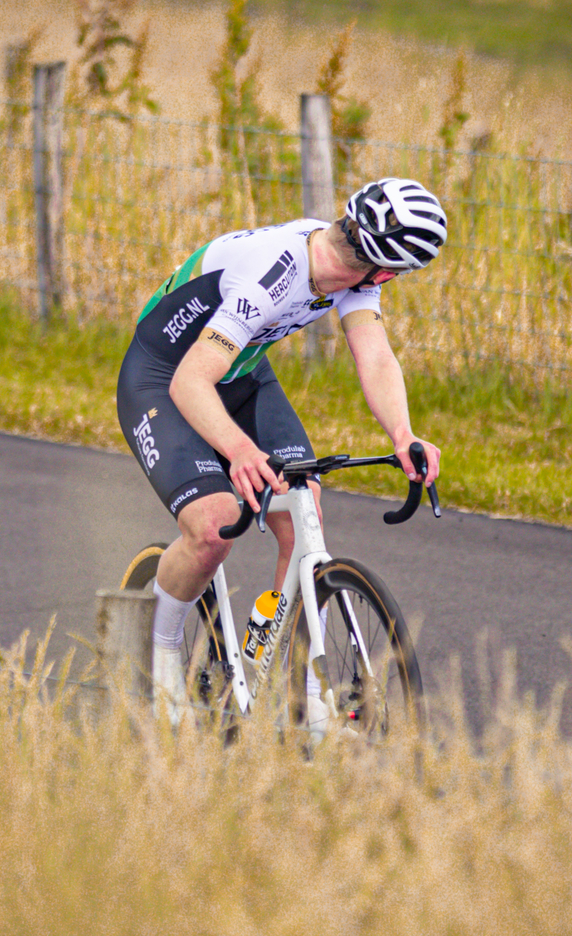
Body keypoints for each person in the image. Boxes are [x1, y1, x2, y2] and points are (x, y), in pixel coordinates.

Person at [117, 174, 447, 714]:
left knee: (301, 508)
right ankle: (162, 653)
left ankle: (276, 671)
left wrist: (404, 434)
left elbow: (376, 356)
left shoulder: (352, 271)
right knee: (213, 524)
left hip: (240, 374)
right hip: (164, 378)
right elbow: (190, 382)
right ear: (388, 269)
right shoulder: (272, 277)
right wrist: (242, 452)